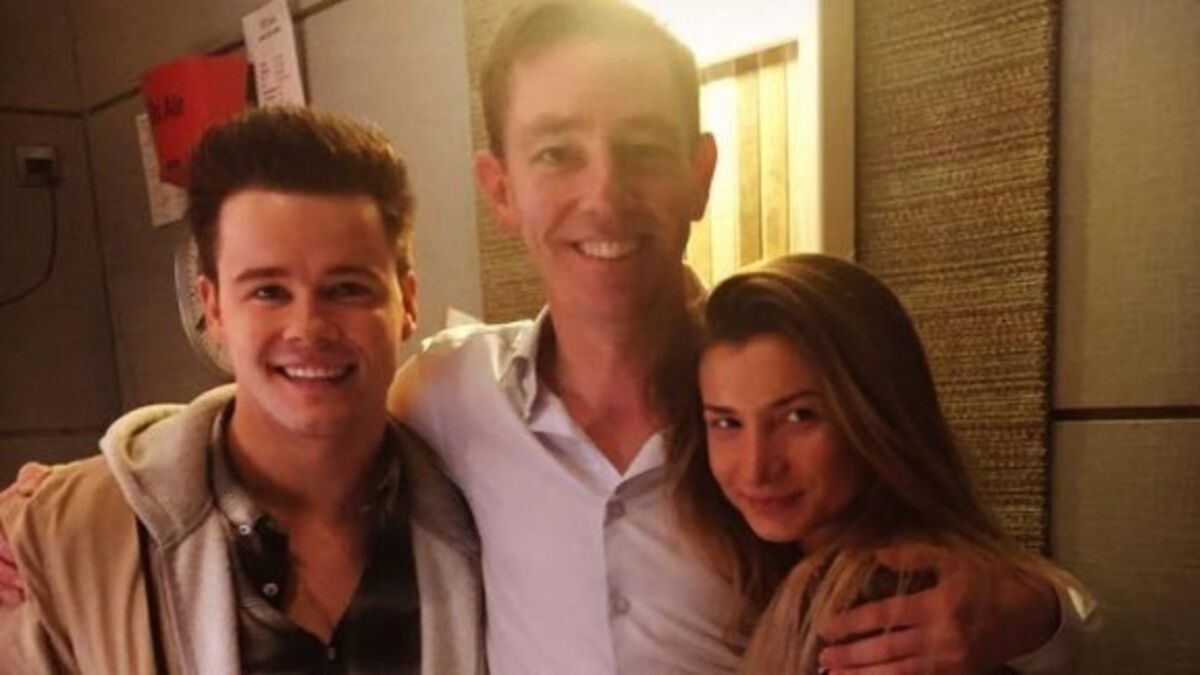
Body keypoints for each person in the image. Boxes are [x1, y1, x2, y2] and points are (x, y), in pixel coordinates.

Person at [1, 2, 1088, 673]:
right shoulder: (445, 396)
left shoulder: (765, 412)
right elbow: (297, 403)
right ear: (501, 189)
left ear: (702, 173)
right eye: (559, 152)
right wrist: (79, 496)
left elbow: (929, 537)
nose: (604, 195)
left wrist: (1036, 607)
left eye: (644, 148)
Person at [0, 107, 484, 674]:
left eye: (348, 288)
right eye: (268, 292)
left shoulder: (486, 504)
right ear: (213, 307)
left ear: (408, 301)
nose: (309, 328)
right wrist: (38, 527)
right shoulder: (71, 538)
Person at [674, 253, 1098, 674]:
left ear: (877, 412)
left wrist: (1042, 611)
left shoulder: (889, 600)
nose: (756, 468)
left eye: (799, 416)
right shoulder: (749, 556)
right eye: (727, 422)